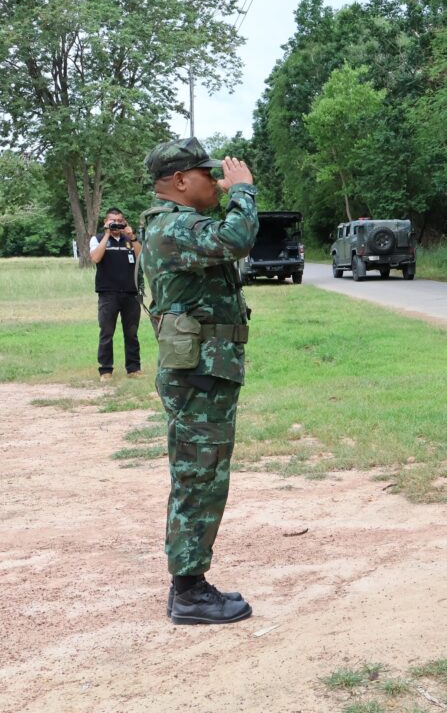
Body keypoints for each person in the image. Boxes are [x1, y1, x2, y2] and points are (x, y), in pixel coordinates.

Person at [140, 137, 258, 624]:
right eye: (207, 175)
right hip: (199, 375)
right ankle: (189, 592)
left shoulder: (175, 225)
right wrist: (243, 190)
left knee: (201, 473)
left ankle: (188, 585)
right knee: (199, 475)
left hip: (202, 371)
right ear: (180, 180)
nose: (215, 181)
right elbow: (237, 238)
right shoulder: (175, 226)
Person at [90, 208, 142, 381]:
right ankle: (105, 370)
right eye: (113, 221)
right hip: (108, 293)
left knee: (131, 333)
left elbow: (141, 258)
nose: (116, 224)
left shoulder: (130, 239)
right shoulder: (98, 239)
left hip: (131, 292)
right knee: (106, 332)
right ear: (105, 222)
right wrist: (107, 235)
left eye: (120, 221)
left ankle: (134, 368)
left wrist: (132, 236)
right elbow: (95, 258)